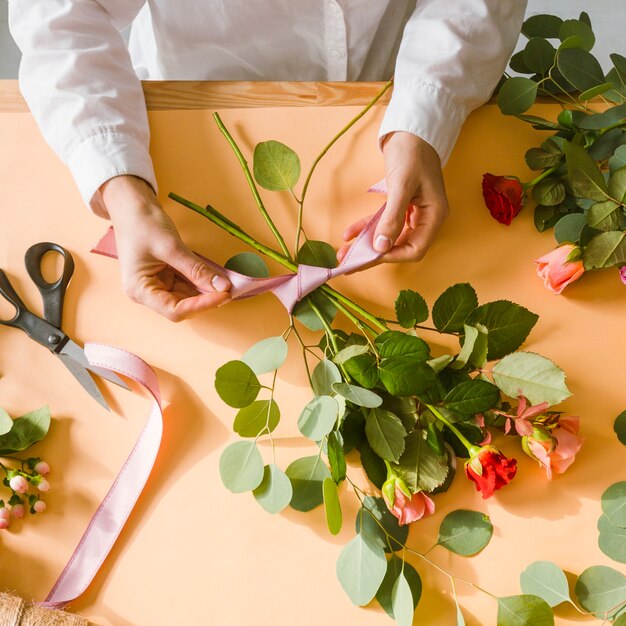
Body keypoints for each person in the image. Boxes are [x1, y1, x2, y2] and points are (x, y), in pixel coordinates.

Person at [8, 0, 526, 321]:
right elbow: (58, 13)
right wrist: (120, 186)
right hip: (184, 115)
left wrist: (425, 116)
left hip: (390, 97)